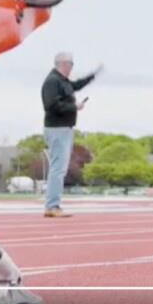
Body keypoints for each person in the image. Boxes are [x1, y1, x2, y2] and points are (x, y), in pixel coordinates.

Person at [40, 52, 102, 218]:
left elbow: (75, 86)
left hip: (64, 128)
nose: (72, 68)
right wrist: (74, 107)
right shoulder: (52, 81)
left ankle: (53, 204)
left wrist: (92, 76)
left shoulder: (62, 81)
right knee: (58, 168)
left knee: (59, 168)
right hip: (57, 129)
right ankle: (52, 205)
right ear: (64, 64)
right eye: (71, 65)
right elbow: (51, 105)